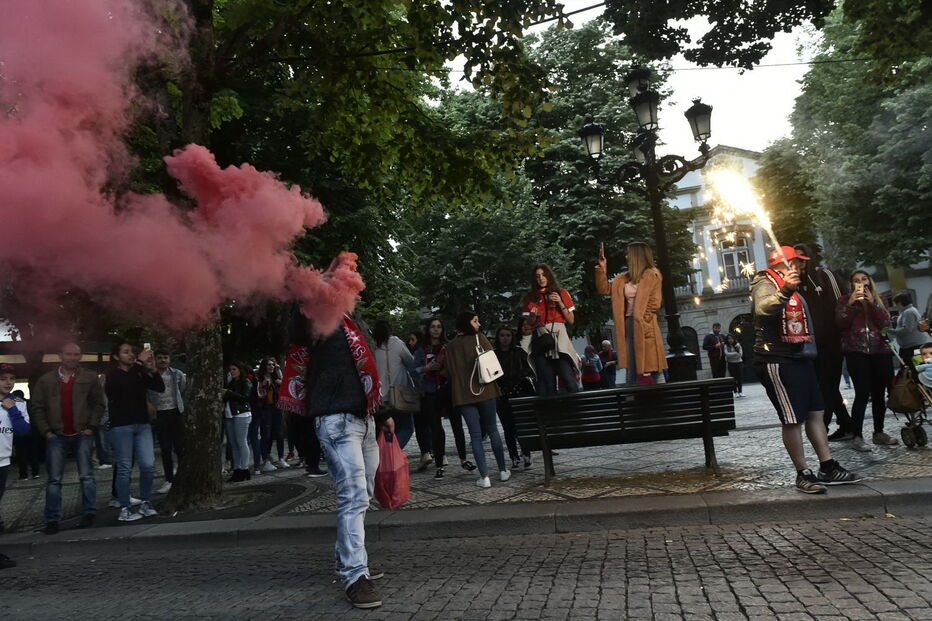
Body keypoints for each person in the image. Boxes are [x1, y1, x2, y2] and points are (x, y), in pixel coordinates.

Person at [298, 310, 391, 609]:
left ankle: (347, 560)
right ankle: (354, 575)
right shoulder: (314, 316)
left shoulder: (354, 320)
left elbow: (365, 370)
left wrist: (382, 413)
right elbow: (296, 332)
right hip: (335, 418)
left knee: (362, 492)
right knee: (352, 496)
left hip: (363, 419)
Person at [751, 246, 859, 493]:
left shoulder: (793, 285)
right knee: (792, 419)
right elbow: (763, 309)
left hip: (799, 357)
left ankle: (828, 466)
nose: (801, 267)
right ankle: (803, 474)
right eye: (797, 262)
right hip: (776, 359)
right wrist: (786, 289)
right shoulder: (764, 281)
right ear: (784, 262)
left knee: (816, 412)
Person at [31, 343, 107, 533]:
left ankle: (89, 514)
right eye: (68, 354)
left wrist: (91, 427)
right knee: (54, 479)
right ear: (60, 355)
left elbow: (99, 404)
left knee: (87, 475)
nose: (72, 357)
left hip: (82, 433)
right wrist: (46, 432)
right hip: (56, 434)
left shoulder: (89, 377)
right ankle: (52, 520)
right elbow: (37, 407)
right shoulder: (46, 380)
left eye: (76, 354)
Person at [793, 243, 853, 441]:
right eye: (794, 258)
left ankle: (824, 426)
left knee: (826, 386)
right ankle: (845, 424)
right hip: (810, 345)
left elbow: (841, 302)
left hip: (831, 342)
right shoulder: (794, 284)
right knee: (826, 386)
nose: (798, 262)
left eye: (802, 257)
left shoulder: (824, 275)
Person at [444, 311, 510, 487]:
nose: (478, 324)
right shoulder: (480, 339)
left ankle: (485, 476)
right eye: (475, 321)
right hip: (486, 390)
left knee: (475, 435)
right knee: (493, 430)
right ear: (467, 323)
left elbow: (448, 372)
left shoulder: (450, 347)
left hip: (463, 395)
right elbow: (493, 361)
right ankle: (503, 471)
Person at [836, 270, 899, 449]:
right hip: (856, 351)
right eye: (856, 280)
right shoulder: (844, 301)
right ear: (851, 285)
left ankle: (879, 432)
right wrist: (849, 304)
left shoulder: (878, 300)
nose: (861, 283)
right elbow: (840, 323)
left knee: (879, 394)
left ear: (869, 282)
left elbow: (885, 324)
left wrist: (872, 304)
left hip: (880, 351)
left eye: (864, 279)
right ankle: (857, 435)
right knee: (862, 394)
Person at [106, 342, 165, 521]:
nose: (131, 355)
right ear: (116, 357)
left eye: (132, 352)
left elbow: (159, 387)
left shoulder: (138, 372)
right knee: (124, 467)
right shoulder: (113, 375)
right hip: (121, 426)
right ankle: (124, 508)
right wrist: (140, 363)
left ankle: (146, 502)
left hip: (142, 424)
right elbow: (123, 387)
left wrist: (153, 370)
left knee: (148, 464)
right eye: (126, 352)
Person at [595, 242, 668, 385]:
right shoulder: (622, 279)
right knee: (631, 366)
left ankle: (662, 399)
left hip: (645, 325)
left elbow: (655, 303)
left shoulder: (652, 275)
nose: (626, 256)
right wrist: (602, 268)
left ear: (637, 256)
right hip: (628, 324)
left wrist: (642, 320)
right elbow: (604, 289)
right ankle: (631, 402)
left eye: (629, 253)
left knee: (653, 367)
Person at [412, 317, 474, 479]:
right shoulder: (422, 349)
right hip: (430, 392)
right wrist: (427, 368)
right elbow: (413, 370)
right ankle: (440, 463)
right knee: (436, 428)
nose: (436, 329)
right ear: (428, 329)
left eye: (439, 326)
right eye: (433, 326)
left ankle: (463, 459)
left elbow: (458, 366)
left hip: (449, 390)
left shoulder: (448, 347)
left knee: (457, 425)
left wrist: (445, 371)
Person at [523, 264, 580, 395]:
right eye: (537, 276)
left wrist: (560, 302)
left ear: (549, 276)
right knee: (548, 382)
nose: (541, 279)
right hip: (541, 337)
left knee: (568, 377)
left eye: (544, 275)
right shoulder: (530, 297)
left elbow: (571, 320)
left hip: (559, 337)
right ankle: (553, 413)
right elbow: (528, 326)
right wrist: (532, 315)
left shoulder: (562, 293)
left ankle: (577, 411)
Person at [373, 320, 421, 454]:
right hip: (399, 394)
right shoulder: (397, 344)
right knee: (407, 428)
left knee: (387, 429)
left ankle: (385, 456)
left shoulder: (373, 347)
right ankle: (391, 454)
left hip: (381, 398)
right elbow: (411, 364)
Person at [1, 363, 31, 568]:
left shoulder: (18, 404)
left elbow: (23, 431)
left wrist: (12, 410)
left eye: (11, 378)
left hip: (3, 461)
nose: (8, 382)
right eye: (3, 378)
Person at [494, 325, 534, 470]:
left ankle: (526, 454)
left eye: (508, 335)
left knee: (521, 427)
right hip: (502, 395)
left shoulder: (518, 352)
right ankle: (514, 457)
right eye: (502, 335)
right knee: (508, 428)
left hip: (519, 393)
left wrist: (520, 377)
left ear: (512, 337)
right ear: (498, 338)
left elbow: (529, 369)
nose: (505, 338)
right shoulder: (494, 354)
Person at [148, 349, 186, 494]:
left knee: (179, 446)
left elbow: (182, 390)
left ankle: (182, 476)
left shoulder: (177, 374)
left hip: (176, 412)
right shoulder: (150, 374)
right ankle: (169, 479)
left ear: (169, 359)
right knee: (165, 448)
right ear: (155, 360)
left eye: (165, 357)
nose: (163, 360)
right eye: (160, 358)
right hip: (160, 414)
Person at [254, 357, 288, 471]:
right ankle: (266, 460)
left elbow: (284, 385)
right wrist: (263, 385)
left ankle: (281, 458)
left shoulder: (276, 379)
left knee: (279, 433)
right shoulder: (259, 380)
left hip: (276, 408)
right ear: (264, 366)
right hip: (266, 410)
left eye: (273, 365)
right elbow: (259, 396)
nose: (271, 366)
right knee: (266, 435)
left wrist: (278, 370)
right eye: (269, 364)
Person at [224, 361, 254, 482]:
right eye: (230, 369)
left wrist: (228, 393)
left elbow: (245, 398)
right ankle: (237, 469)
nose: (232, 372)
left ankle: (244, 468)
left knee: (241, 441)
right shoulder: (231, 383)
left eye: (234, 369)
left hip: (242, 414)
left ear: (240, 370)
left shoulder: (245, 382)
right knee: (233, 444)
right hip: (230, 415)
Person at [890, 292, 931, 371]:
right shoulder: (908, 311)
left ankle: (917, 383)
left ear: (900, 303)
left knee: (914, 369)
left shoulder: (908, 312)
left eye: (895, 303)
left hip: (913, 347)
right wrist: (898, 318)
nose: (895, 306)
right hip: (911, 346)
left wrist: (892, 331)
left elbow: (907, 329)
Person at [11, 389, 39, 480]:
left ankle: (23, 475)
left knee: (20, 454)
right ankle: (35, 473)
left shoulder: (13, 404)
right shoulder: (29, 403)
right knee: (32, 453)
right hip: (31, 431)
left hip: (19, 433)